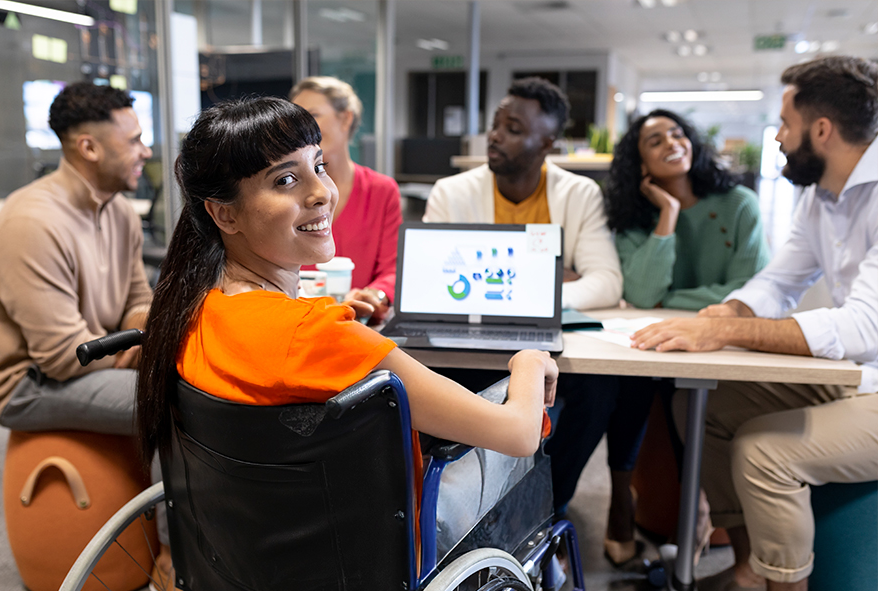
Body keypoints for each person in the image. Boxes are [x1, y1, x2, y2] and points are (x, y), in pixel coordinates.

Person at [135, 97, 559, 558]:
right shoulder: (316, 335)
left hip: (260, 549)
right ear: (224, 214)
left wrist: (329, 318)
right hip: (367, 551)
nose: (322, 192)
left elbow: (278, 350)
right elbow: (517, 434)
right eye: (286, 179)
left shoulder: (191, 311)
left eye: (319, 165)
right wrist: (530, 361)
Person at [631, 55, 878, 591]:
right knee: (705, 407)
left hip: (872, 376)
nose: (779, 140)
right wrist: (730, 313)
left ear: (822, 130)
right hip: (858, 376)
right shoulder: (823, 196)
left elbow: (864, 326)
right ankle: (747, 569)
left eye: (785, 126)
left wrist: (728, 334)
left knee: (763, 449)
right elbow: (778, 281)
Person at [579, 110, 771, 564]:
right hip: (660, 340)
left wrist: (673, 301)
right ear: (638, 162)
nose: (672, 142)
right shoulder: (633, 217)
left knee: (692, 400)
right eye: (655, 140)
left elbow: (750, 288)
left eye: (678, 133)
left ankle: (700, 509)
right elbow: (643, 293)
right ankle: (622, 498)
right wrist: (666, 214)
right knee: (629, 383)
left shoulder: (738, 203)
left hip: (725, 344)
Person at [0, 82, 153, 435]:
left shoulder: (119, 210)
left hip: (97, 354)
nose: (146, 152)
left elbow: (138, 300)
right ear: (89, 148)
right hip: (27, 383)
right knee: (177, 402)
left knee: (196, 386)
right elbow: (63, 357)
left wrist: (138, 336)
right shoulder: (31, 223)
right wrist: (139, 348)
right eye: (133, 140)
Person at [423, 76, 622, 310]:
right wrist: (543, 282)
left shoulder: (579, 194)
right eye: (495, 125)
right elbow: (427, 277)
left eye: (513, 129)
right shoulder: (450, 193)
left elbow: (607, 283)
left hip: (545, 329)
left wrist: (520, 295)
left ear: (546, 145)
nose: (494, 136)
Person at [290, 76, 402, 319]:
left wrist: (374, 295)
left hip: (360, 321)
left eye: (313, 115)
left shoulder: (381, 190)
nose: (302, 129)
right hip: (297, 319)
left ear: (346, 118)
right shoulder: (285, 192)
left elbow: (393, 269)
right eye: (297, 120)